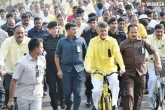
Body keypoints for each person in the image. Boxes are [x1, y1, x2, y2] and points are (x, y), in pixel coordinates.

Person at [84, 22, 125, 110]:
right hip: (96, 71)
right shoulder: (93, 41)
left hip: (111, 70)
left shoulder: (112, 41)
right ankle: (95, 106)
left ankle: (114, 104)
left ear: (108, 30)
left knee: (115, 83)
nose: (103, 33)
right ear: (97, 31)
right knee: (97, 90)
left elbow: (118, 55)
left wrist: (122, 67)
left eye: (105, 31)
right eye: (101, 31)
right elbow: (89, 56)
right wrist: (87, 68)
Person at [120, 24, 162, 110]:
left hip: (141, 73)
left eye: (135, 32)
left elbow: (154, 52)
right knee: (129, 94)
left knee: (138, 95)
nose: (134, 34)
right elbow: (117, 57)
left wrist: (158, 63)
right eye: (132, 32)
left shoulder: (143, 42)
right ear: (128, 33)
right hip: (128, 73)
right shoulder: (123, 44)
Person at [55, 23, 87, 110]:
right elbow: (56, 56)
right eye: (73, 29)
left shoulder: (81, 40)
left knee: (77, 92)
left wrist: (86, 67)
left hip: (79, 69)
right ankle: (68, 105)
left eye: (76, 29)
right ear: (67, 31)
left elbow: (86, 54)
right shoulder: (61, 41)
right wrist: (59, 70)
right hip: (66, 70)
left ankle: (76, 108)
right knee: (67, 92)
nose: (75, 31)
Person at [7, 38, 45, 110]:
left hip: (37, 94)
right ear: (36, 49)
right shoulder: (21, 63)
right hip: (23, 96)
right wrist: (11, 100)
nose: (43, 49)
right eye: (42, 47)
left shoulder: (42, 59)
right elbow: (13, 81)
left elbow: (42, 73)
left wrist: (42, 85)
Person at [0, 25, 30, 109]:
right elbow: (1, 56)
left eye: (22, 33)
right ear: (13, 33)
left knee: (23, 96)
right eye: (18, 33)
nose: (20, 35)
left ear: (25, 33)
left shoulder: (30, 42)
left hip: (25, 73)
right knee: (7, 91)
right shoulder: (7, 41)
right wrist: (1, 69)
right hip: (10, 71)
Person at [43, 21, 65, 110]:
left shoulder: (63, 38)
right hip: (50, 66)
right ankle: (54, 104)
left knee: (61, 86)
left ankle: (62, 100)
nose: (55, 30)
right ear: (49, 29)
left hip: (61, 65)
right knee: (52, 88)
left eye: (56, 28)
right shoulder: (45, 39)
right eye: (53, 28)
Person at [146, 24, 165, 109]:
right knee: (152, 79)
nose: (160, 33)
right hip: (151, 63)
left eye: (161, 31)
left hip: (164, 62)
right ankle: (150, 98)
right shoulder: (149, 38)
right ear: (154, 31)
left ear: (164, 31)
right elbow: (146, 48)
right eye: (158, 31)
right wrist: (146, 56)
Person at [81, 16, 98, 107]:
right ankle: (89, 98)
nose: (92, 24)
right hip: (88, 60)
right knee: (88, 81)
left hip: (99, 60)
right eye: (90, 23)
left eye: (94, 22)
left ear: (97, 23)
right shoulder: (85, 33)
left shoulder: (100, 33)